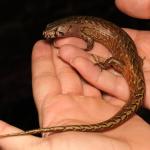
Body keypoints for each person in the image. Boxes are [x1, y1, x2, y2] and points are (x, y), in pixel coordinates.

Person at [0, 0, 150, 149]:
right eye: (51, 30)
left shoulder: (80, 29)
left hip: (128, 65)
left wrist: (101, 61)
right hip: (134, 61)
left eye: (57, 30)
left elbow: (90, 41)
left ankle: (108, 64)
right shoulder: (77, 27)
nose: (50, 34)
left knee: (111, 61)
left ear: (68, 28)